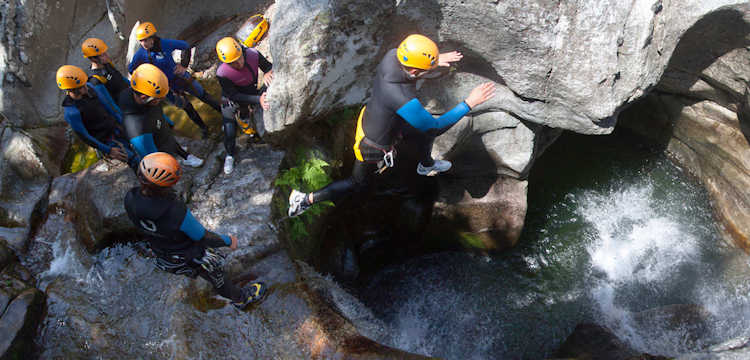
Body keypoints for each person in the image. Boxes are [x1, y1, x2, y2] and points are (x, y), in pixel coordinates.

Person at [287, 34, 496, 217]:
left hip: (381, 119)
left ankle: (426, 165)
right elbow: (435, 127)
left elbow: (413, 67)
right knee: (357, 184)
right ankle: (304, 200)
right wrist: (470, 102)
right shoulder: (400, 95)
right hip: (372, 146)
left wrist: (435, 60)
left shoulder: (392, 56)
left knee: (422, 131)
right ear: (414, 70)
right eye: (425, 69)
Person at [124, 152, 266, 309]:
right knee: (216, 273)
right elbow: (202, 236)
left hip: (163, 252)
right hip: (189, 254)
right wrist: (228, 241)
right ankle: (240, 299)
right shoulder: (174, 211)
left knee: (203, 270)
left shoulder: (130, 199)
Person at [128, 21, 221, 139]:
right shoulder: (140, 54)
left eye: (146, 40)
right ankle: (204, 128)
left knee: (203, 95)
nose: (143, 43)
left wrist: (183, 65)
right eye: (141, 41)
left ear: (153, 37)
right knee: (187, 107)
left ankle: (225, 114)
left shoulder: (164, 44)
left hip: (180, 78)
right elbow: (132, 69)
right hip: (167, 88)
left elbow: (186, 46)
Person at [120, 63, 204, 167]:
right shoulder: (137, 129)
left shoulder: (144, 95)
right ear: (143, 97)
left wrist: (167, 121)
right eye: (158, 99)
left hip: (159, 126)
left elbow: (156, 110)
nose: (161, 101)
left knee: (168, 137)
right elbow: (154, 160)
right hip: (155, 141)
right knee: (164, 143)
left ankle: (185, 155)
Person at [56, 65, 137, 170]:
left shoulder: (91, 88)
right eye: (82, 87)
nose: (86, 87)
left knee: (139, 150)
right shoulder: (72, 112)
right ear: (71, 90)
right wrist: (109, 150)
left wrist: (126, 126)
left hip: (117, 129)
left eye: (84, 84)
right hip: (106, 141)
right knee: (132, 161)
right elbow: (86, 137)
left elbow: (110, 108)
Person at [215, 36, 273, 174]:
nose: (239, 63)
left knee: (246, 116)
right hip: (232, 100)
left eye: (239, 58)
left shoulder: (252, 54)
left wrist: (267, 73)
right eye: (233, 63)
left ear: (242, 51)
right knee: (230, 131)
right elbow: (233, 95)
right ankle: (230, 155)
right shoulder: (222, 72)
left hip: (250, 91)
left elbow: (269, 67)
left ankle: (248, 126)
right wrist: (258, 99)